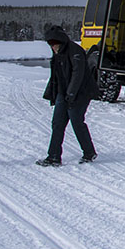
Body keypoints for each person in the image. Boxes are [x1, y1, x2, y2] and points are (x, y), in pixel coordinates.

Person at [36, 26, 100, 166]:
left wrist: (71, 94)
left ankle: (89, 153)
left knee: (76, 122)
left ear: (61, 41)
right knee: (57, 123)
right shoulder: (57, 54)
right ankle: (53, 157)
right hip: (64, 93)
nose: (53, 47)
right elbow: (57, 76)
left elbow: (78, 74)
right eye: (51, 44)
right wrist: (54, 93)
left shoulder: (75, 51)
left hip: (81, 93)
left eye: (55, 43)